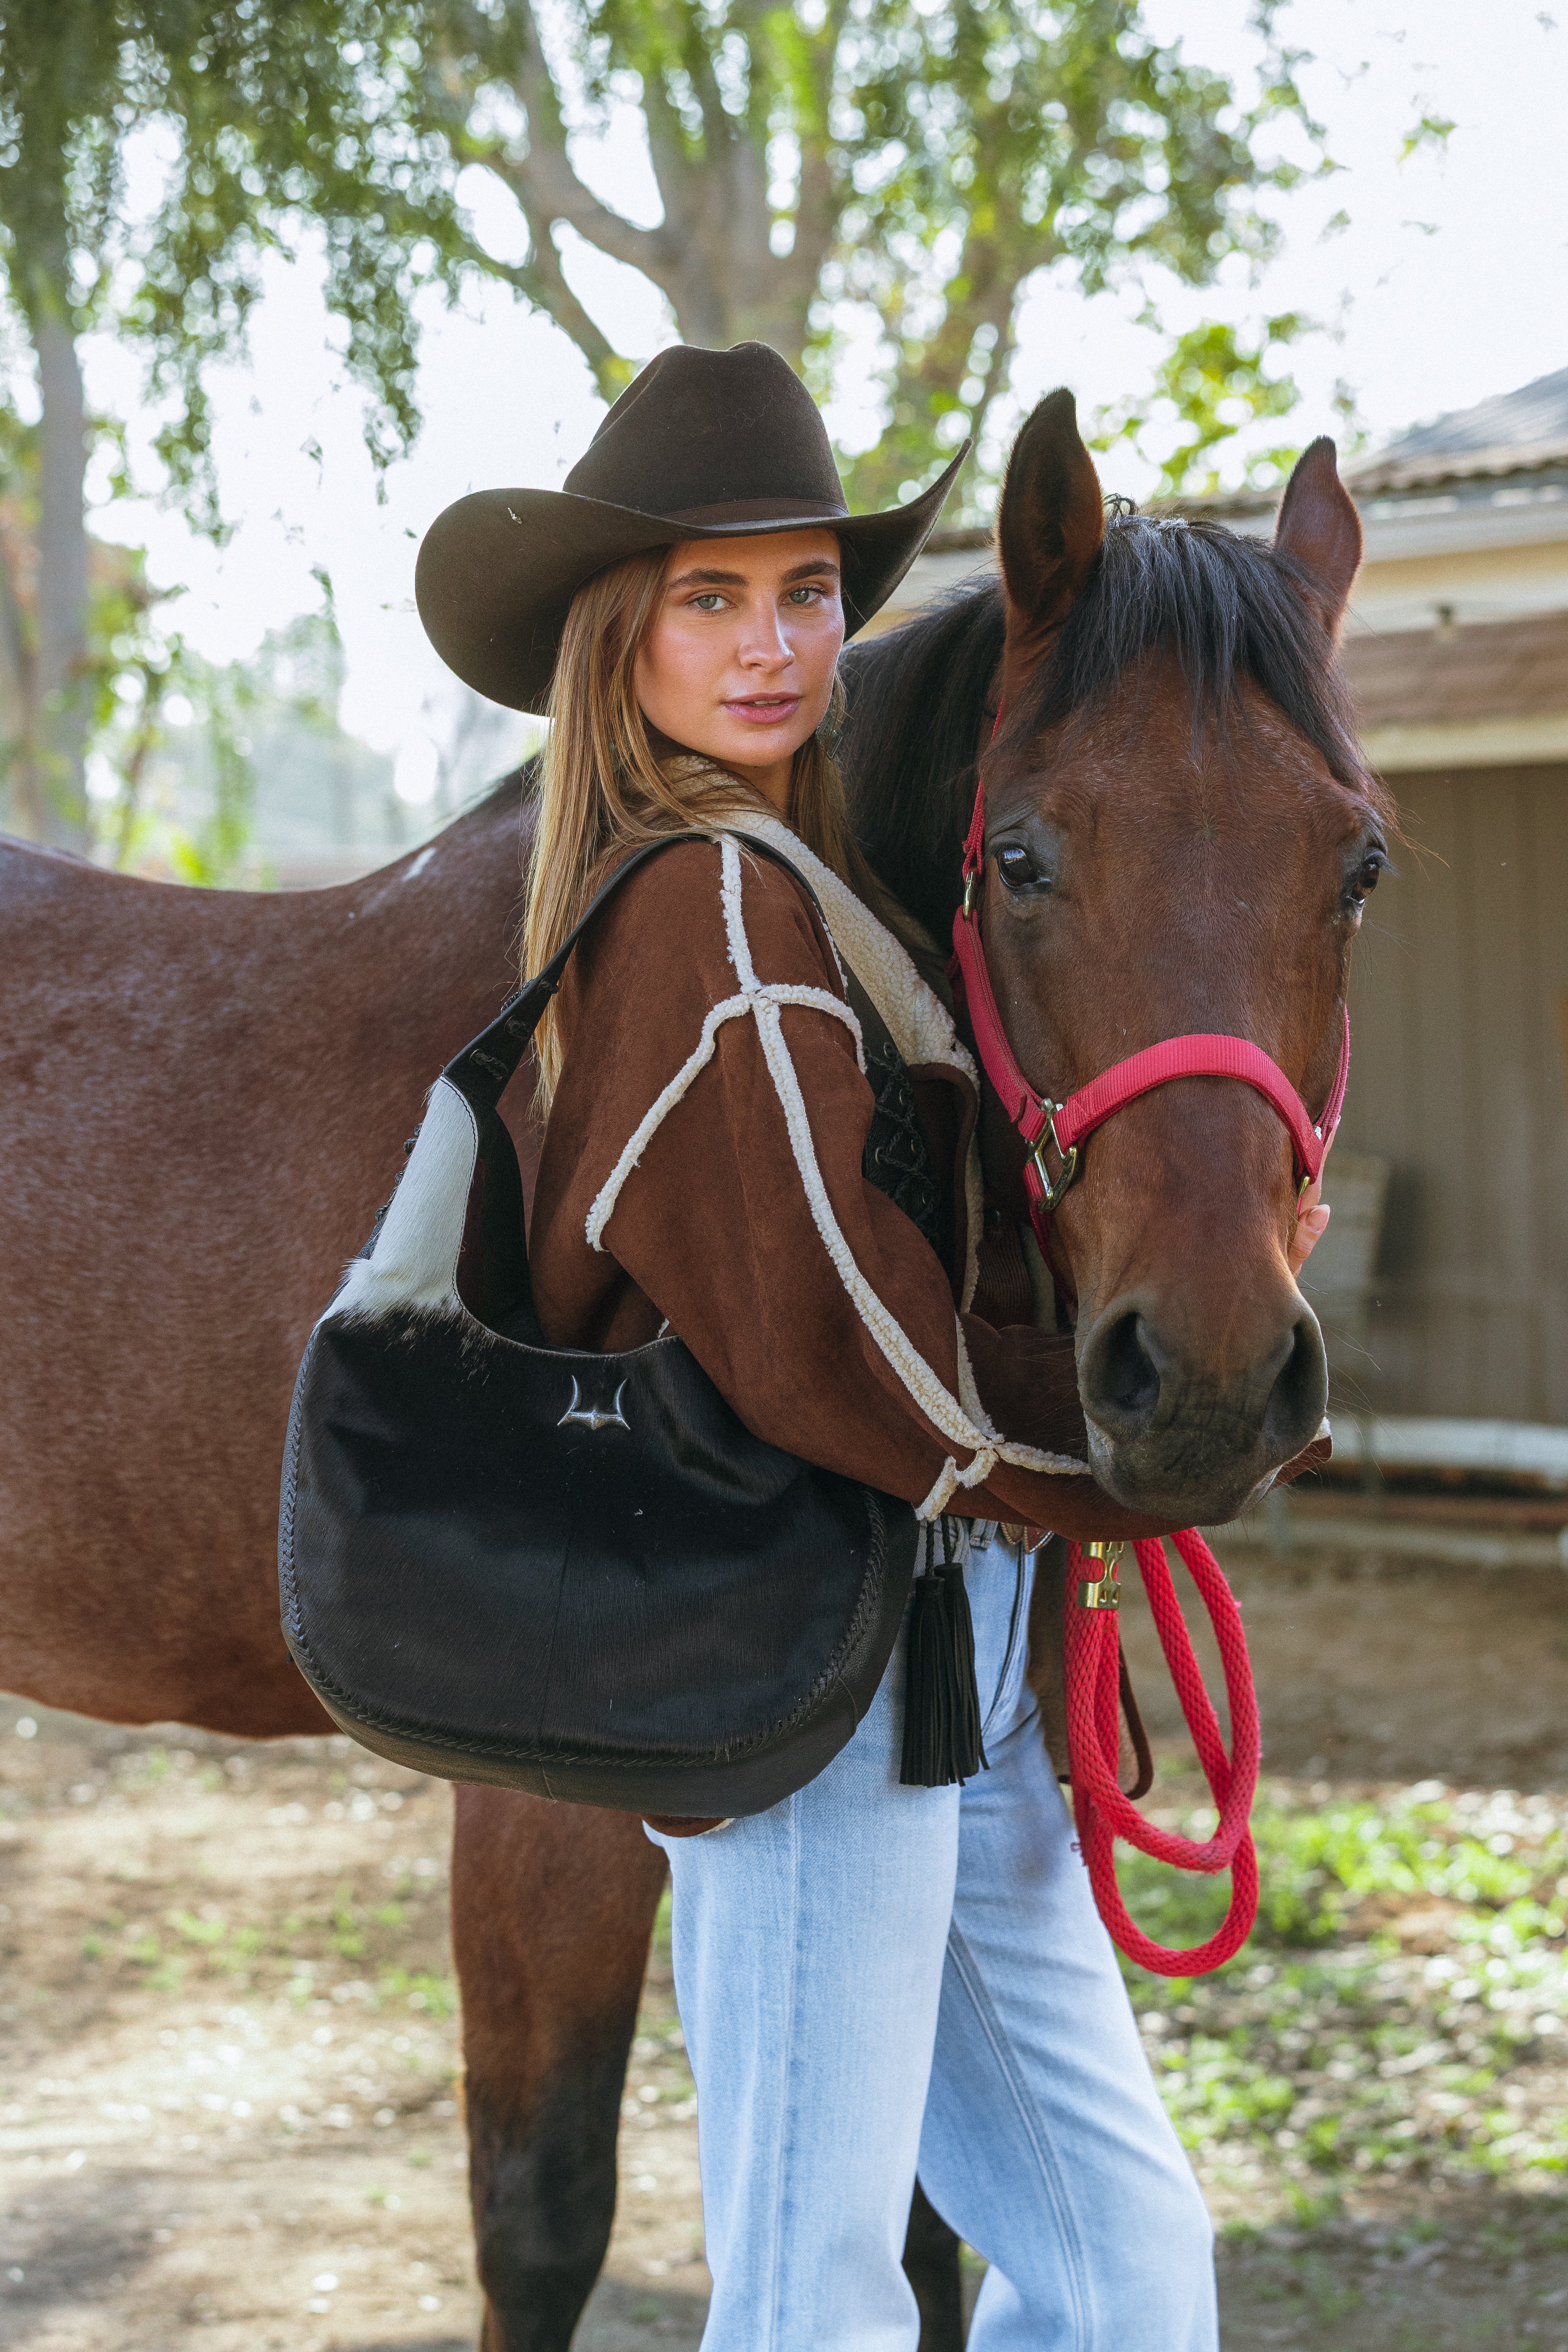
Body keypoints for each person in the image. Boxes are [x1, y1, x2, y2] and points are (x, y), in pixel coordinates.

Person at [416, 342, 1327, 2351]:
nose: (771, 646)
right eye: (710, 598)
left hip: (954, 1671)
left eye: (807, 592)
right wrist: (1142, 1459)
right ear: (624, 636)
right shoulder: (702, 911)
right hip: (806, 1679)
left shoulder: (826, 891)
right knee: (816, 2300)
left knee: (1129, 2271)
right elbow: (847, 1350)